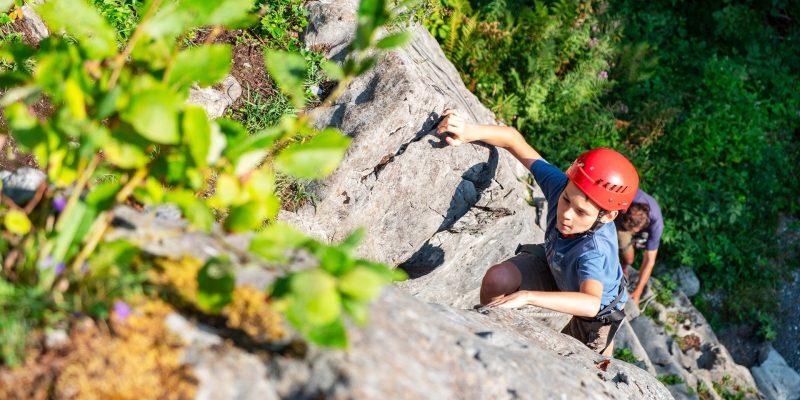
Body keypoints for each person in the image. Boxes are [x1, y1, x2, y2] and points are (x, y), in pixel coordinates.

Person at [436, 110, 638, 355]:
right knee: (498, 279)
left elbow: (591, 302)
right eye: (565, 200)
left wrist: (528, 296)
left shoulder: (593, 251)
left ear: (607, 216)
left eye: (581, 212)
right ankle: (489, 341)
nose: (567, 214)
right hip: (556, 265)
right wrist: (469, 131)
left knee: (581, 368)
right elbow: (513, 140)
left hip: (594, 312)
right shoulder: (560, 186)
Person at [615, 189, 663, 306]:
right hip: (619, 212)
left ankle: (623, 264)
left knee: (629, 259)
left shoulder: (656, 225)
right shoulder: (626, 196)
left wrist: (638, 291)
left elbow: (649, 260)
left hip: (635, 226)